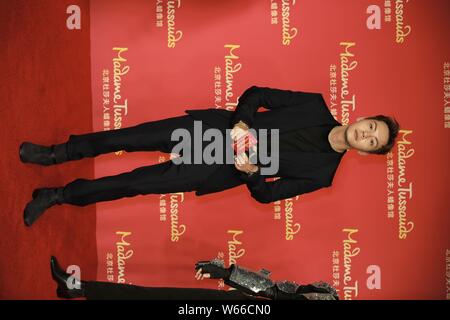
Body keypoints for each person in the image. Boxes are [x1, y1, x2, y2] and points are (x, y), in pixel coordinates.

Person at [20, 86, 400, 226]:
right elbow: (257, 94)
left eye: (372, 141)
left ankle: (58, 196)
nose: (365, 134)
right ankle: (57, 153)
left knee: (134, 183)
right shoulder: (315, 105)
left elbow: (269, 195)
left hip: (215, 169)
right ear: (362, 117)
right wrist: (243, 122)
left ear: (367, 153)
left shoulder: (323, 174)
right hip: (212, 130)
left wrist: (251, 173)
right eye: (371, 127)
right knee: (129, 137)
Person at [50, 256, 339, 300]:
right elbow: (274, 292)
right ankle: (75, 287)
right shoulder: (327, 295)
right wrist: (227, 273)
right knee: (148, 296)